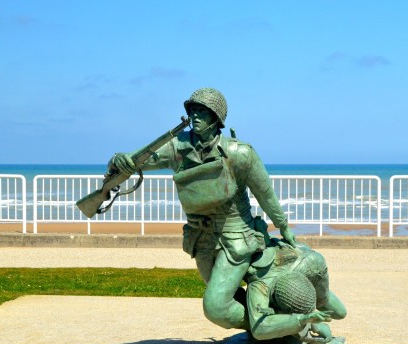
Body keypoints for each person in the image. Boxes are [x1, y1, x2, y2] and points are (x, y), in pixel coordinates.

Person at [110, 87, 296, 330]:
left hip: (235, 238)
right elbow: (140, 160)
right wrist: (118, 160)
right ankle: (272, 328)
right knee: (226, 298)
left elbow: (265, 194)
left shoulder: (240, 153)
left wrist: (283, 227)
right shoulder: (178, 147)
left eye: (202, 111)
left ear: (216, 118)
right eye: (193, 111)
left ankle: (281, 327)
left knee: (216, 307)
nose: (195, 116)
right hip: (201, 239)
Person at [244, 225, 347, 342]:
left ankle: (305, 310)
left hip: (299, 270)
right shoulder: (260, 286)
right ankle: (290, 321)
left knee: (340, 313)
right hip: (275, 282)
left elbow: (318, 265)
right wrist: (306, 320)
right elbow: (259, 329)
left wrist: (314, 310)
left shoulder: (310, 262)